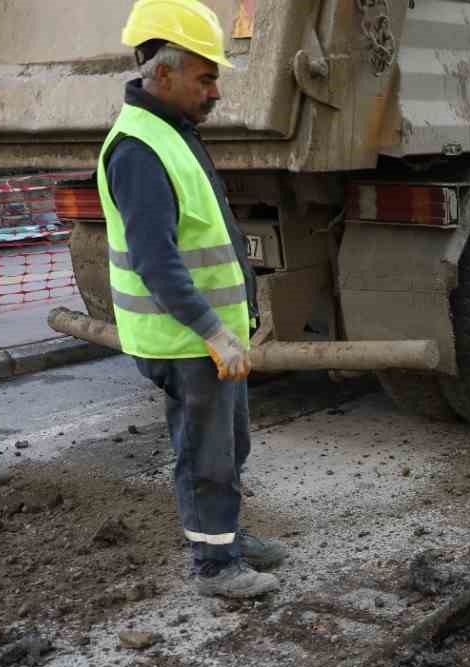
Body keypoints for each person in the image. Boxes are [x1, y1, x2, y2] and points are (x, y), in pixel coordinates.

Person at [99, 0, 286, 598]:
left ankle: (224, 535)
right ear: (163, 74)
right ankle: (215, 568)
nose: (215, 93)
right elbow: (158, 263)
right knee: (205, 454)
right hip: (182, 339)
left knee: (231, 445)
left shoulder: (170, 133)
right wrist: (214, 330)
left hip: (199, 334)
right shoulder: (139, 150)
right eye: (206, 79)